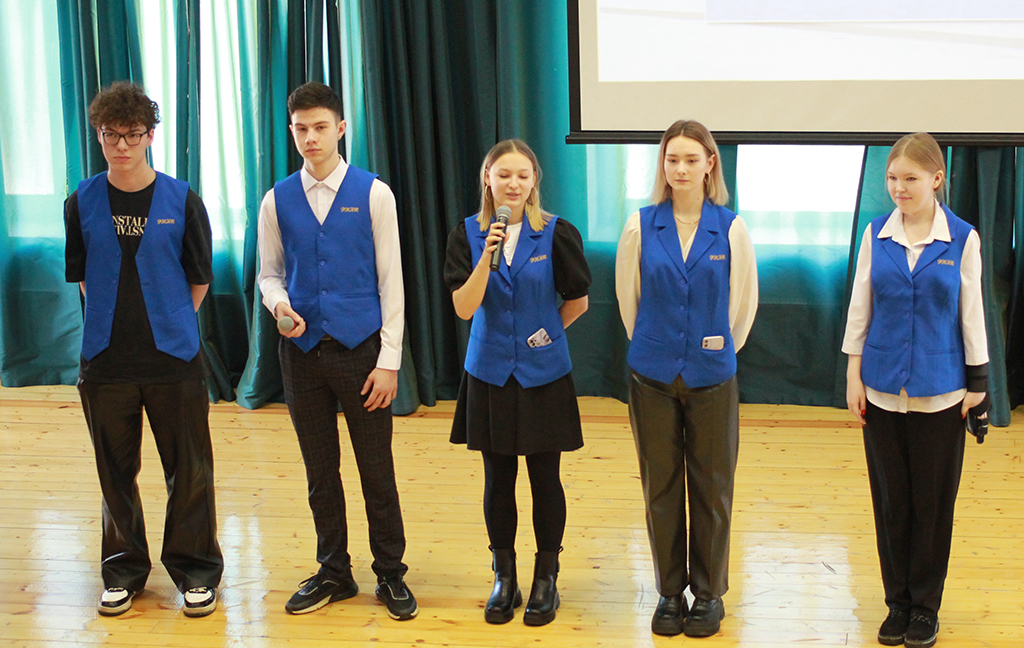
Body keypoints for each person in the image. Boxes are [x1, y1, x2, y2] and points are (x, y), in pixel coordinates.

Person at [256, 82, 416, 620]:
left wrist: (389, 362)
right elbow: (269, 274)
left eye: (320, 127)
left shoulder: (375, 194)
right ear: (292, 130)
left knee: (376, 470)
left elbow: (392, 283)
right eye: (301, 128)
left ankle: (390, 572)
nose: (311, 138)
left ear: (341, 129)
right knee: (320, 472)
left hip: (362, 352)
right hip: (301, 356)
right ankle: (334, 571)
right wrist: (279, 305)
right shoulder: (276, 200)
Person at [63, 82, 223, 618]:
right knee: (114, 473)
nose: (122, 146)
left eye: (132, 135)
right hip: (105, 362)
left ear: (150, 136)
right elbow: (84, 278)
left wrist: (169, 321)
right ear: (99, 136)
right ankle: (123, 571)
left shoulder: (183, 200)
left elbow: (199, 279)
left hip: (173, 361)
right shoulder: (80, 202)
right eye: (111, 135)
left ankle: (196, 571)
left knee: (191, 472)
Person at [843, 132, 988, 648]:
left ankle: (925, 608)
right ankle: (897, 603)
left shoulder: (963, 238)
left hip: (941, 393)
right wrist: (853, 372)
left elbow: (972, 313)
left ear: (936, 179)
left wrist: (979, 383)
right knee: (891, 503)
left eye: (910, 178)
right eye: (892, 178)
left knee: (932, 505)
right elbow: (861, 305)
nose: (899, 188)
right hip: (881, 390)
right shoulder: (875, 234)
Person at [615, 120, 758, 638]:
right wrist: (658, 346)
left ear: (709, 164)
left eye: (691, 160)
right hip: (651, 374)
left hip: (712, 375)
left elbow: (742, 306)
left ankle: (709, 593)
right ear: (663, 165)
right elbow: (629, 301)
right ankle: (670, 592)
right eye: (672, 160)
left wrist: (710, 350)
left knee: (713, 488)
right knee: (661, 487)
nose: (680, 169)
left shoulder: (731, 229)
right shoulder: (639, 226)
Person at [444, 139, 591, 626]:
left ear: (534, 182)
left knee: (545, 477)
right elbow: (464, 308)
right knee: (498, 477)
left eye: (523, 175)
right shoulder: (468, 234)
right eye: (503, 174)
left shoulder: (555, 232)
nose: (513, 183)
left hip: (543, 374)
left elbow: (577, 301)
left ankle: (547, 576)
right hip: (489, 374)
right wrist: (486, 258)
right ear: (487, 178)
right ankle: (503, 576)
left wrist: (542, 338)